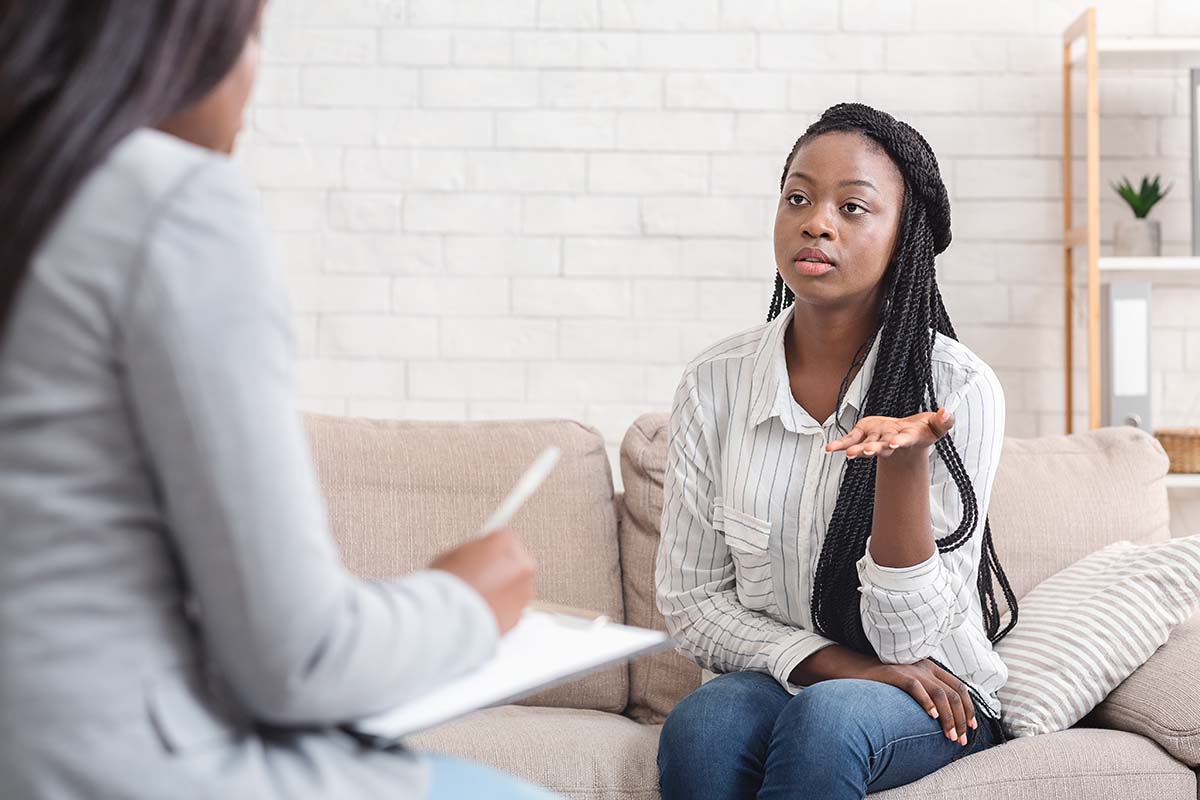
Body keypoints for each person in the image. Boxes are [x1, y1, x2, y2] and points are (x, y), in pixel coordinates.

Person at [0, 3, 560, 798]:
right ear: (175, 38)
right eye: (252, 34)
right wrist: (467, 603)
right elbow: (297, 660)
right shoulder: (173, 202)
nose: (254, 75)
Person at [654, 103, 1021, 799]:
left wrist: (903, 467)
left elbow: (908, 640)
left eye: (853, 207)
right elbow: (693, 603)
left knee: (831, 721)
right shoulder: (715, 384)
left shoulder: (957, 388)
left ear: (903, 236)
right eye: (798, 197)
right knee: (705, 723)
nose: (816, 221)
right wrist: (831, 663)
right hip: (792, 676)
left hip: (933, 691)